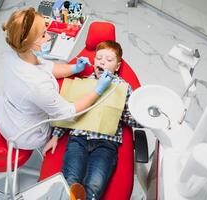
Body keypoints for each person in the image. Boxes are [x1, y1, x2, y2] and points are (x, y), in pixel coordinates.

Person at [0, 8, 113, 150]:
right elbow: (68, 113)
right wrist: (98, 90)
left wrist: (74, 68)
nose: (49, 37)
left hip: (6, 115)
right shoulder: (36, 85)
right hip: (26, 134)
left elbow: (47, 67)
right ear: (28, 42)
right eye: (44, 35)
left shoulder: (15, 54)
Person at [43, 40, 143, 200]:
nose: (102, 61)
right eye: (99, 58)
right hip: (78, 139)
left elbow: (129, 118)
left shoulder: (123, 87)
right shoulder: (83, 83)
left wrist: (145, 118)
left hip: (106, 143)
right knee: (70, 181)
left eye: (109, 60)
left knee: (94, 186)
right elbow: (69, 113)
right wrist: (56, 135)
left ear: (117, 67)